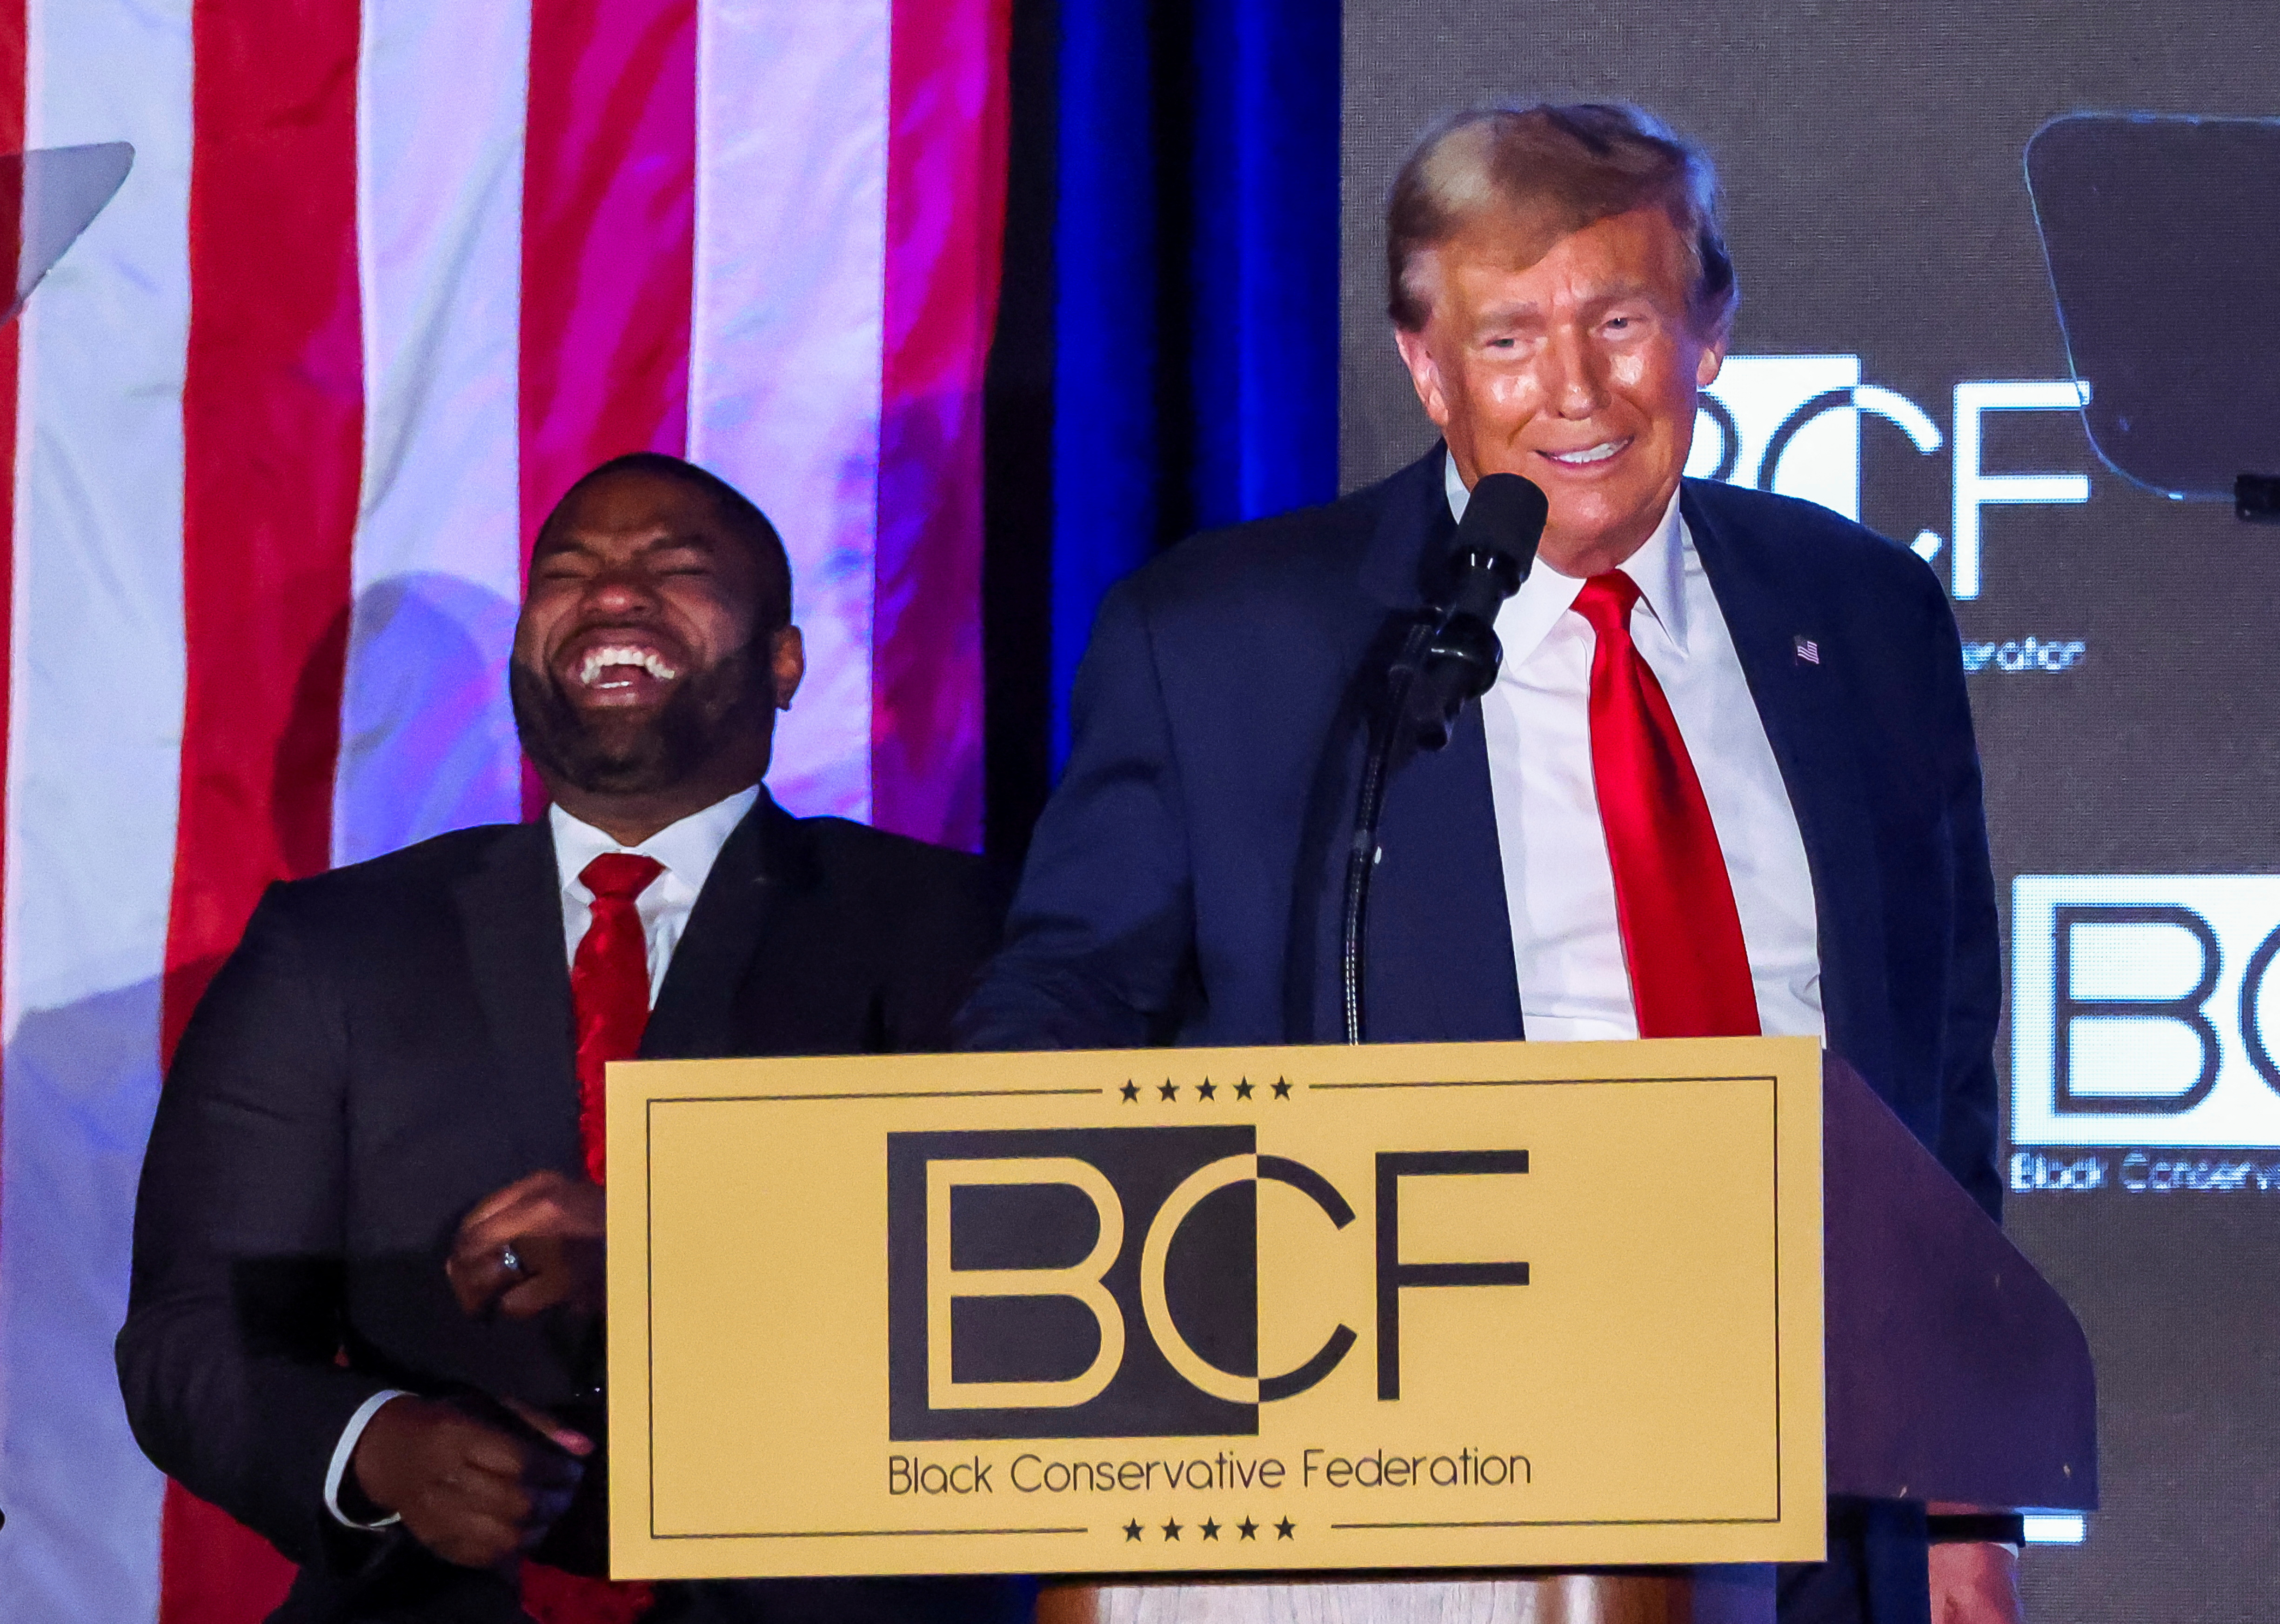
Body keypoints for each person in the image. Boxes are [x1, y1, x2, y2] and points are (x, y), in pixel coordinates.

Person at [956, 105, 2019, 1624]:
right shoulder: (1224, 640)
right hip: (1422, 1481)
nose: (1574, 390)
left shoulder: (1862, 612)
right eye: (1509, 336)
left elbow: (1942, 1084)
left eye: (1622, 320)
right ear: (1425, 364)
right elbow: (1063, 993)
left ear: (1709, 332)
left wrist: (1966, 1497)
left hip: (1827, 1460)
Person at [119, 453, 1025, 1624]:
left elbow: (1034, 1268)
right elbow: (193, 1336)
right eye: (570, 572)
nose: (611, 595)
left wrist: (680, 1250)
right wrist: (378, 1447)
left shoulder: (960, 925)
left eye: (677, 569)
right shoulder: (332, 945)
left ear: (784, 662)